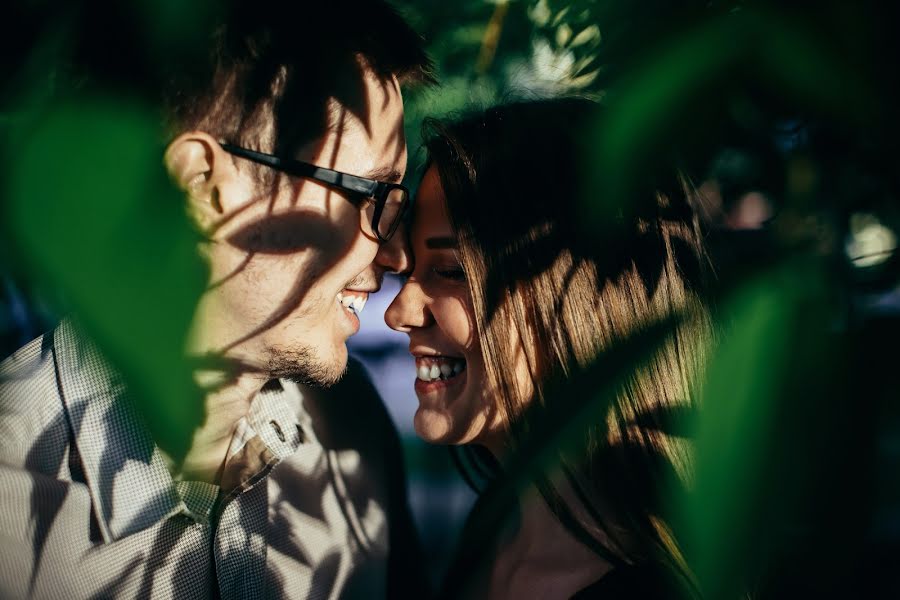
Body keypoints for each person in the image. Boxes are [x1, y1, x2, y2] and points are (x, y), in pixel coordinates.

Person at [0, 1, 434, 598]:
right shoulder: (12, 504)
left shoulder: (352, 430)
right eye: (368, 196)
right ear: (202, 187)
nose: (394, 254)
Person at [385, 99, 712, 599]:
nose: (399, 312)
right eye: (409, 273)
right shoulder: (489, 534)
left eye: (450, 271)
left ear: (582, 299)